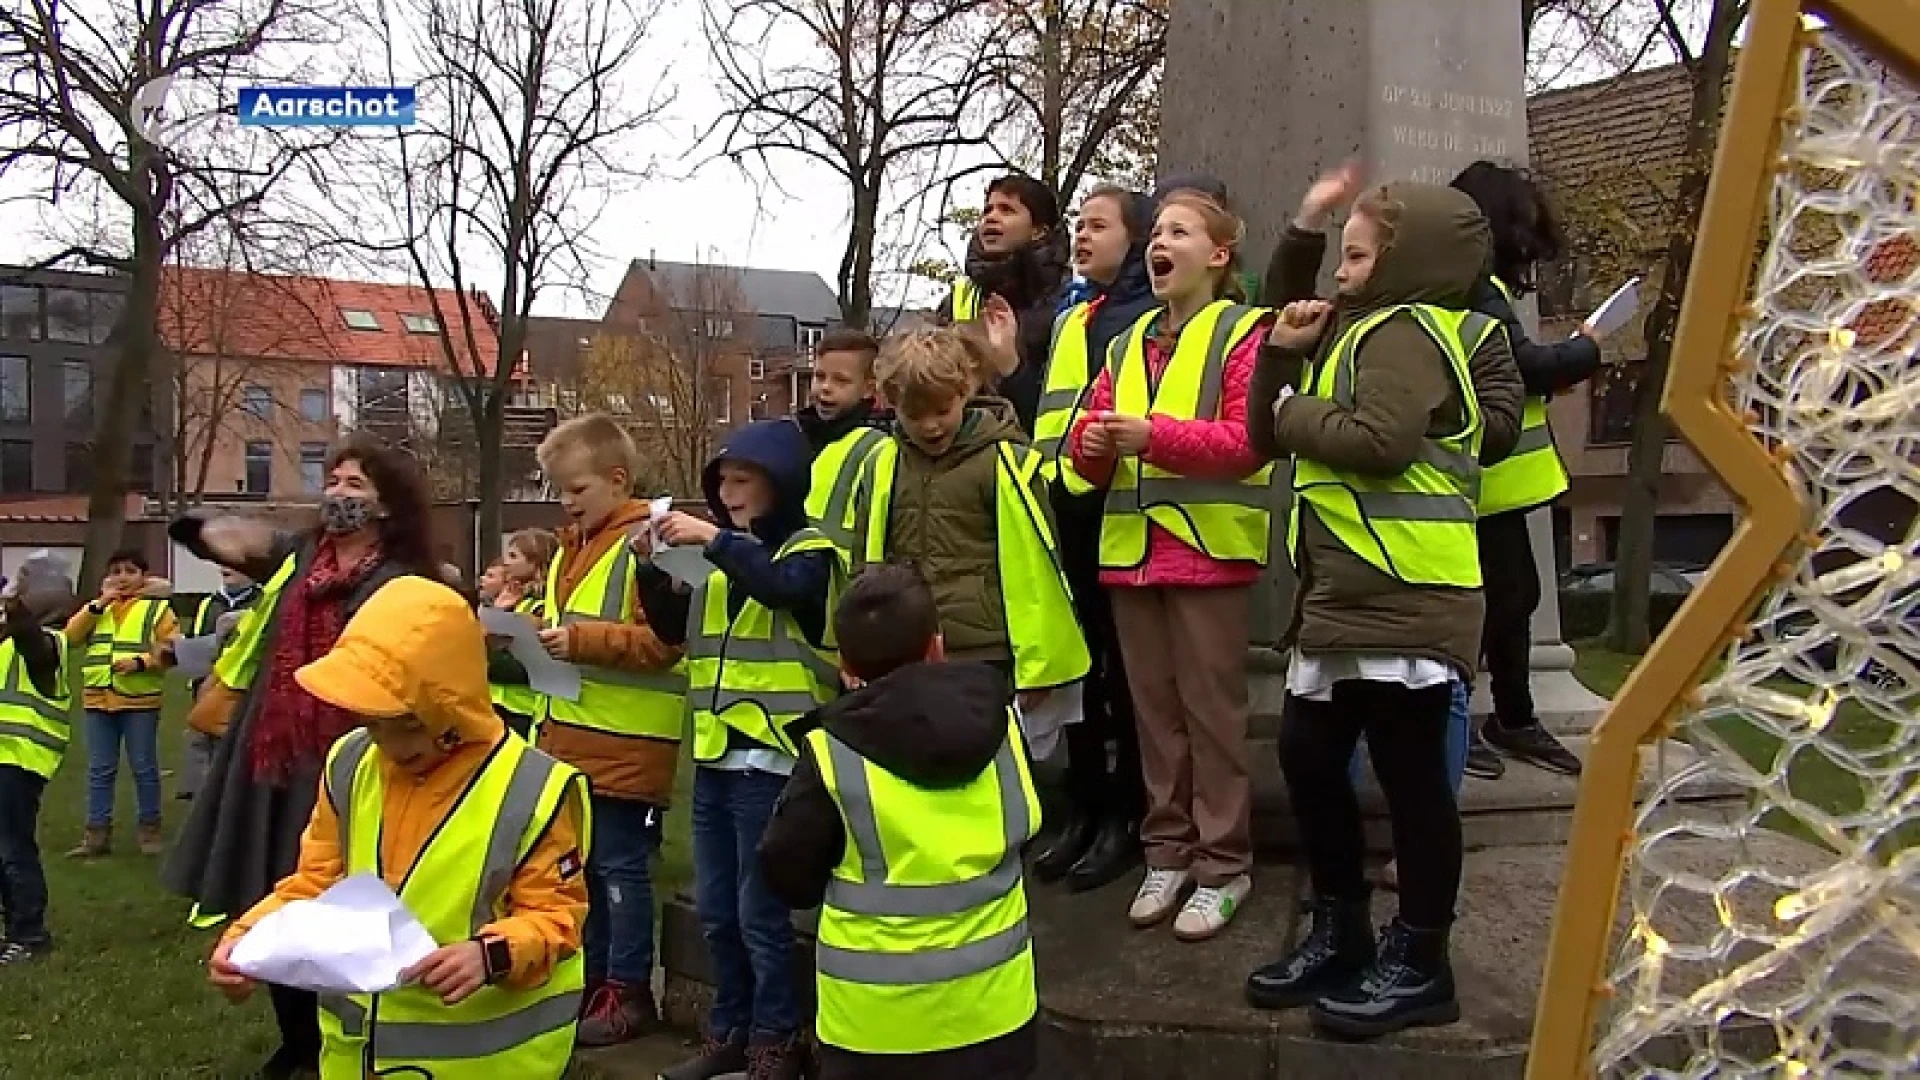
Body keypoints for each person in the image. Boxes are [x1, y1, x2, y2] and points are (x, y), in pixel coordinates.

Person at [1242, 182, 1522, 1039]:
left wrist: (1295, 409)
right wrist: (1284, 362)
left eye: (1358, 253)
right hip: (1346, 598)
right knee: (1310, 758)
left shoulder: (1404, 331)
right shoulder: (1359, 332)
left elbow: (1380, 443)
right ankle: (1343, 927)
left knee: (1410, 788)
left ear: (1407, 263)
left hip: (1408, 598)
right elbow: (1266, 436)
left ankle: (1420, 959)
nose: (1341, 266)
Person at [206, 576, 590, 1079]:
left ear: (453, 707)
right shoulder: (351, 762)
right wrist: (247, 941)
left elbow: (556, 915)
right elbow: (315, 882)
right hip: (357, 1056)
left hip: (484, 1063)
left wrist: (490, 954)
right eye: (372, 721)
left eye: (407, 724)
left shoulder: (535, 787)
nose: (388, 741)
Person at [163, 433, 444, 1080]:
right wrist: (195, 527)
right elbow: (225, 538)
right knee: (278, 894)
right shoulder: (300, 557)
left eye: (357, 486)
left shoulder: (403, 581)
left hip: (357, 754)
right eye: (335, 481)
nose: (339, 494)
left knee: (344, 903)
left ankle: (351, 1033)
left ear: (388, 506)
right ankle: (298, 1037)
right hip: (278, 750)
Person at [1063, 188, 1274, 941]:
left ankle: (1224, 866)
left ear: (1217, 256)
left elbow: (1249, 443)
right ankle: (1168, 850)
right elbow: (1089, 447)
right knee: (1154, 722)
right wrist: (1087, 449)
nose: (1160, 243)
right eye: (1156, 232)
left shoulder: (1246, 332)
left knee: (1212, 719)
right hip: (1131, 558)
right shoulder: (1127, 344)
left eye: (1178, 232)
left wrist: (1148, 436)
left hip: (1209, 556)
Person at [758, 564, 1040, 1080]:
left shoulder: (830, 755)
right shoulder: (1005, 725)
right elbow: (1030, 825)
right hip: (997, 1015)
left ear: (844, 667)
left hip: (874, 1029)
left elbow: (787, 876)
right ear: (938, 645)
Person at [636, 418, 841, 1080]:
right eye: (722, 481)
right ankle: (730, 1031)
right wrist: (650, 569)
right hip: (715, 756)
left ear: (780, 484)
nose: (728, 493)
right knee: (719, 913)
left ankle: (775, 1041)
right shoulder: (723, 558)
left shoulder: (809, 550)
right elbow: (673, 631)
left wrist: (717, 541)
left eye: (742, 480)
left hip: (772, 760)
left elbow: (784, 590)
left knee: (761, 916)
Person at [531, 414, 685, 1047]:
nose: (565, 504)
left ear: (617, 481)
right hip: (571, 737)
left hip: (627, 742)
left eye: (576, 490)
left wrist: (578, 641)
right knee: (584, 872)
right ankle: (594, 984)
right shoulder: (574, 545)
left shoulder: (648, 544)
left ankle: (627, 991)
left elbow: (665, 642)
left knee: (620, 871)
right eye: (560, 492)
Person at [1029, 184, 1159, 891]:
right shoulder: (1075, 317)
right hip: (1065, 510)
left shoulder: (1143, 317)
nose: (1082, 235)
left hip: (1119, 510)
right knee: (1080, 667)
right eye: (1079, 224)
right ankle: (1084, 806)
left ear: (1133, 239)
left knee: (1122, 673)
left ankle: (1125, 816)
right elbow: (1052, 409)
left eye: (1098, 225)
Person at [1451, 160, 1599, 777]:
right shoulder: (1477, 287)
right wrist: (1587, 348)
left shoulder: (1479, 284)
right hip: (1481, 482)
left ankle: (1508, 717)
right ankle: (1492, 720)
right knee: (1493, 605)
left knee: (1512, 601)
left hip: (1496, 484)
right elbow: (1523, 365)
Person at [852, 326, 1088, 709]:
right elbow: (865, 560)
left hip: (984, 650)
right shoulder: (883, 462)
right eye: (914, 414)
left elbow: (1036, 567)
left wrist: (1036, 669)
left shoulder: (1005, 461)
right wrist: (860, 643)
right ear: (889, 404)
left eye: (942, 410)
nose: (930, 425)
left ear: (966, 391)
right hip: (905, 646)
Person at [62, 549, 177, 858]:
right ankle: (96, 834)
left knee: (143, 767)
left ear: (143, 576)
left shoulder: (157, 610)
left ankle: (149, 829)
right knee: (100, 769)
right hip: (98, 700)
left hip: (139, 700)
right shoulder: (98, 609)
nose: (122, 578)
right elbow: (70, 637)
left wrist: (141, 663)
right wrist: (98, 604)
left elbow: (170, 649)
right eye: (116, 572)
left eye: (130, 571)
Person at [939, 172, 1071, 431]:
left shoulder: (1066, 300)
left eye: (1007, 210)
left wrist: (1012, 367)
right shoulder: (958, 299)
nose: (991, 217)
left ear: (1038, 231)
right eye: (987, 210)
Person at [0, 558, 77, 965]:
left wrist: (16, 609)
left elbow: (30, 639)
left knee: (14, 850)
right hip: (6, 760)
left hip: (19, 762)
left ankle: (29, 935)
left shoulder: (47, 645)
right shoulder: (7, 644)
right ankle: (14, 928)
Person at [798, 328, 889, 557]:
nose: (825, 387)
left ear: (869, 389)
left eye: (841, 380)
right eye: (819, 377)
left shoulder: (877, 447)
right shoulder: (795, 435)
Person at [176, 566, 262, 802]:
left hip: (242, 691)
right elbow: (195, 642)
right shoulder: (208, 604)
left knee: (237, 753)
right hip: (205, 687)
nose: (226, 567)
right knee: (201, 747)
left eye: (235, 563)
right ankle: (199, 800)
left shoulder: (263, 602)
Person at [487, 529, 560, 740]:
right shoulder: (517, 602)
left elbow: (527, 666)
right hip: (497, 705)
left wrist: (488, 661)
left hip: (523, 711)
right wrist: (499, 612)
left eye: (514, 556)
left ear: (536, 562)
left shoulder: (542, 607)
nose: (506, 562)